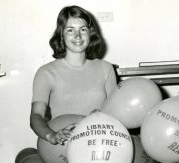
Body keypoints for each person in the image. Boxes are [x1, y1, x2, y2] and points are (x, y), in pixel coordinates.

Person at [30, 5, 117, 145]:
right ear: (61, 36)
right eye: (70, 30)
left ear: (90, 33)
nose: (77, 36)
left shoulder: (106, 68)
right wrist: (52, 136)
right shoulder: (46, 73)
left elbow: (117, 111)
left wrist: (102, 115)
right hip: (62, 146)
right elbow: (36, 116)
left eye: (83, 29)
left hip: (100, 143)